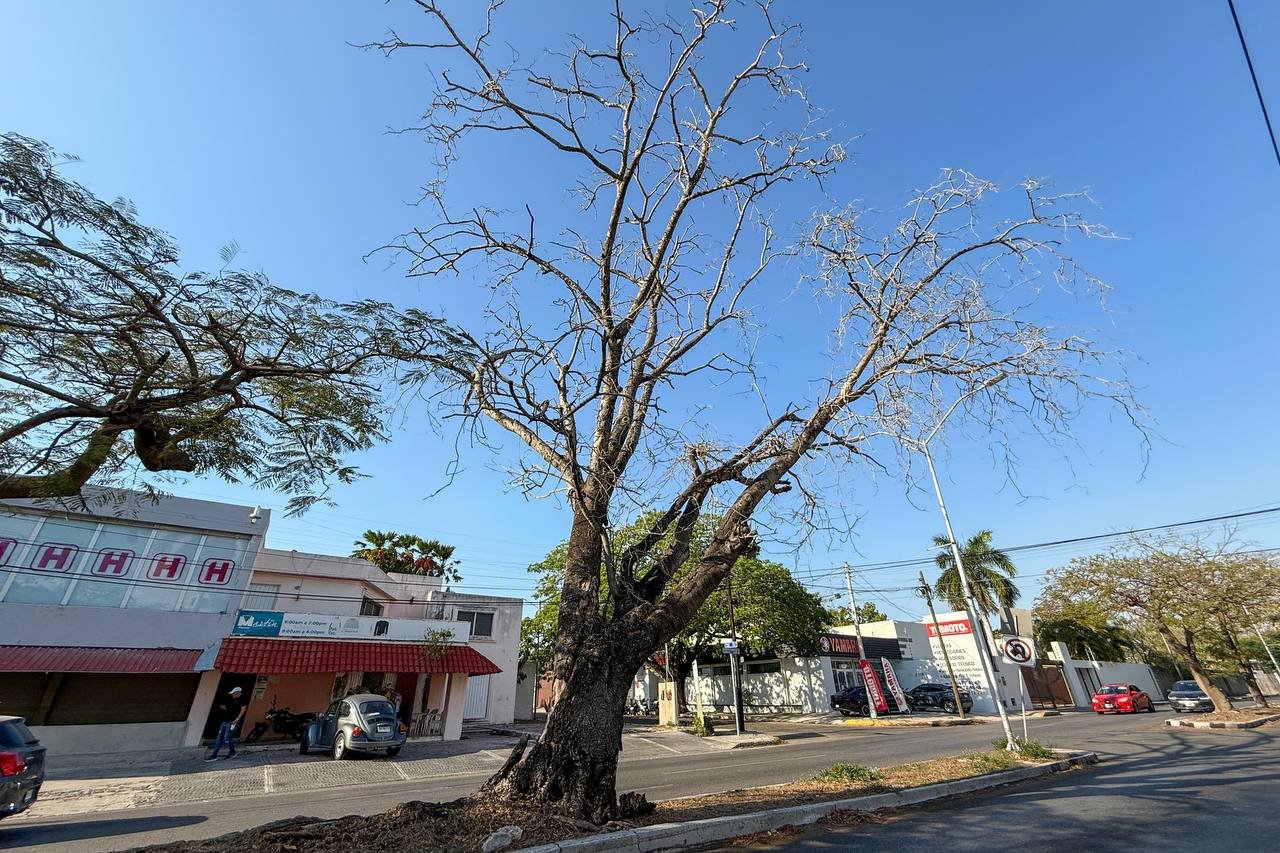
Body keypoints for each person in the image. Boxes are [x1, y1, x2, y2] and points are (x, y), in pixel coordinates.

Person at [206, 686, 246, 761]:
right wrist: (219, 704)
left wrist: (237, 719)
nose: (232, 695)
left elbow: (243, 709)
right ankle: (214, 755)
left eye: (233, 693)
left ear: (237, 693)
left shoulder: (241, 700)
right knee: (219, 738)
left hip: (232, 722)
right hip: (225, 721)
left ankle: (232, 752)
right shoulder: (231, 700)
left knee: (227, 738)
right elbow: (225, 708)